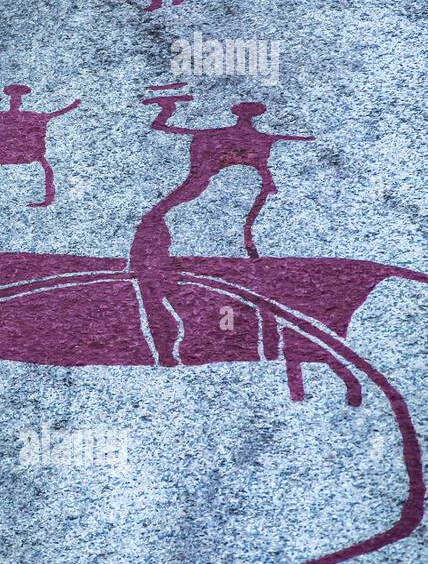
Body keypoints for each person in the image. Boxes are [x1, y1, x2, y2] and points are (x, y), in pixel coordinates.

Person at [131, 94, 313, 365]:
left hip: (207, 205)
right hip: (218, 207)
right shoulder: (260, 142)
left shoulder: (225, 139)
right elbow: (165, 129)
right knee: (245, 268)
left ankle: (181, 349)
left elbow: (163, 127)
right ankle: (260, 344)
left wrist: (167, 107)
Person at [0, 84, 81, 207]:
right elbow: (53, 115)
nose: (15, 101)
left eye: (16, 99)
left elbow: (52, 115)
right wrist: (73, 105)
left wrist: (73, 105)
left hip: (12, 153)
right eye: (15, 98)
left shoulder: (6, 116)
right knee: (45, 165)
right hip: (16, 153)